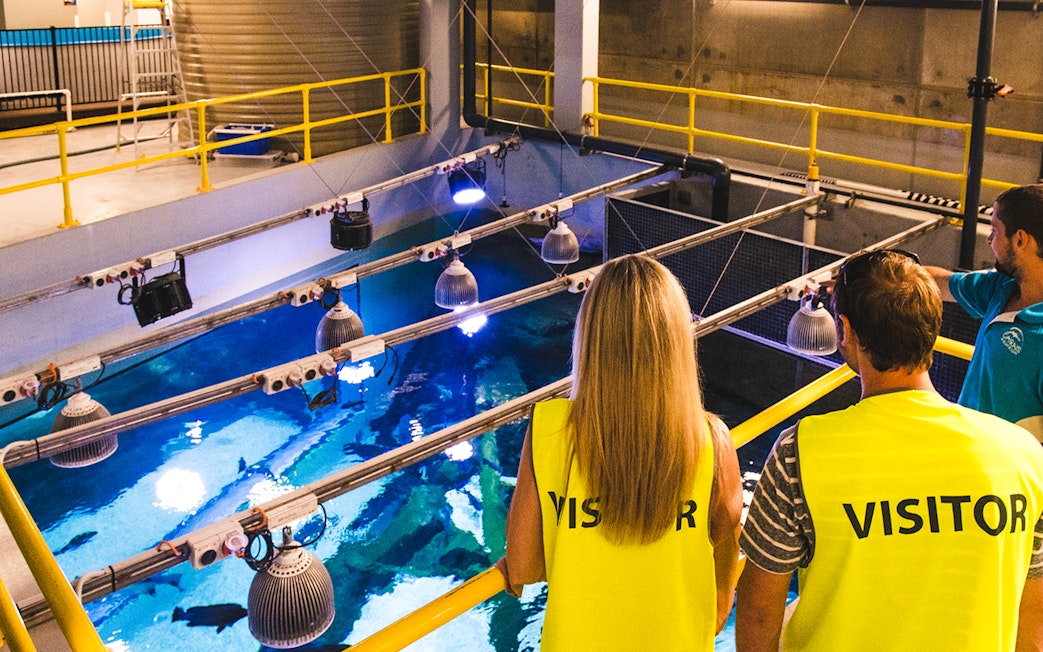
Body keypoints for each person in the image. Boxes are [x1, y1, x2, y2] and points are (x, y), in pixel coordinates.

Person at [736, 250, 1043, 652]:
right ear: (933, 328)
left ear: (844, 330)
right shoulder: (1024, 456)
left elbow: (760, 605)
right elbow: (1031, 612)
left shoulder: (802, 452)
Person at [496, 254, 743, 650]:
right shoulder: (712, 440)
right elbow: (726, 556)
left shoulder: (548, 427)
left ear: (590, 337)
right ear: (676, 341)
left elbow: (524, 565)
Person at [926, 184, 1043, 440]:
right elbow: (940, 282)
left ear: (1020, 240)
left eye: (995, 230)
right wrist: (867, 276)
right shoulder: (1001, 286)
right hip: (970, 456)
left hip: (1010, 475)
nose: (989, 240)